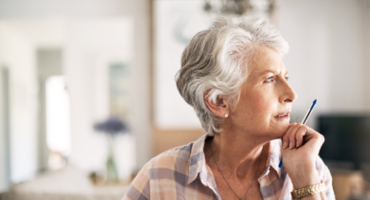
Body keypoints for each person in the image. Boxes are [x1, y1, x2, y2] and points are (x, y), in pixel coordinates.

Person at [122, 16, 335, 200]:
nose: (291, 94)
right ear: (219, 102)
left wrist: (304, 181)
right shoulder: (159, 176)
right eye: (269, 79)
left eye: (285, 77)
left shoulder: (310, 169)